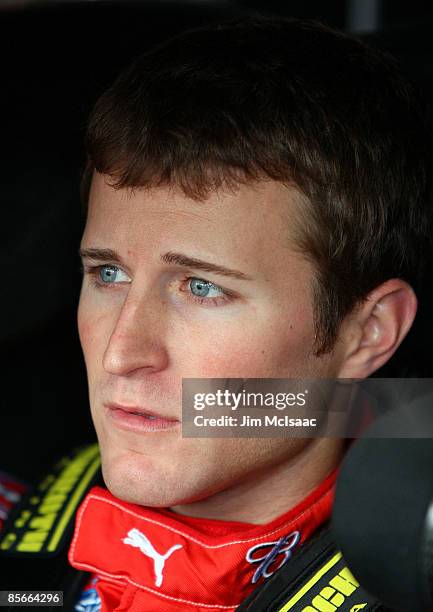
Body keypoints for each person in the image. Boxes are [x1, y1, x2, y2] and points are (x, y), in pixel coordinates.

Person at [0, 15, 431, 612]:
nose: (120, 352)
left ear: (367, 333)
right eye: (108, 273)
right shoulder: (20, 527)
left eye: (201, 288)